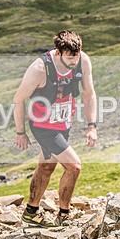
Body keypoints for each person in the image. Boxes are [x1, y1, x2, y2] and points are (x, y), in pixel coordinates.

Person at [14, 31, 97, 227]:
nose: (74, 62)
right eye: (69, 58)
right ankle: (64, 214)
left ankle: (31, 212)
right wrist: (20, 132)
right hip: (42, 125)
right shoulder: (39, 69)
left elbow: (89, 94)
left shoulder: (83, 61)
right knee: (74, 166)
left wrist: (92, 126)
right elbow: (18, 100)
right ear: (58, 53)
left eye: (76, 56)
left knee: (46, 166)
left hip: (63, 123)